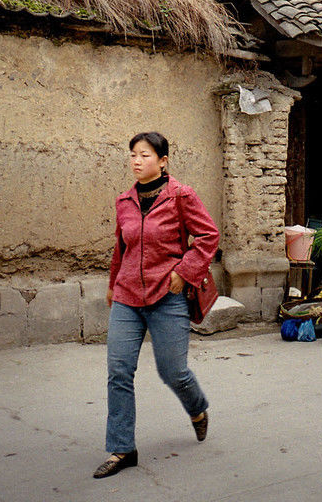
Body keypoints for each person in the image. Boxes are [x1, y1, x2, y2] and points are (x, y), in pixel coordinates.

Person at [93, 131, 219, 479]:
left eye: (145, 155)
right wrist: (112, 284)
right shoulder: (124, 201)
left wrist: (185, 271)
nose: (137, 161)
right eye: (133, 154)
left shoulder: (181, 195)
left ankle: (198, 408)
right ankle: (122, 449)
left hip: (168, 297)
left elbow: (208, 235)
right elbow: (122, 248)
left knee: (172, 372)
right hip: (127, 297)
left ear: (163, 161)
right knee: (119, 372)